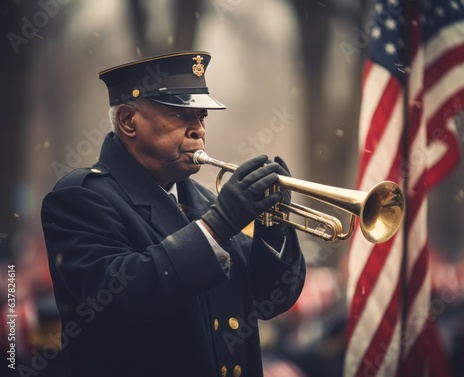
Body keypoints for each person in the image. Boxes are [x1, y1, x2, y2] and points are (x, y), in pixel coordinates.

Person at [41, 51, 306, 377]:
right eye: (181, 116)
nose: (198, 131)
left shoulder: (204, 200)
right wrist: (217, 226)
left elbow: (270, 298)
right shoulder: (81, 196)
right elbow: (114, 301)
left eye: (202, 118)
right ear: (127, 120)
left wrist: (273, 225)